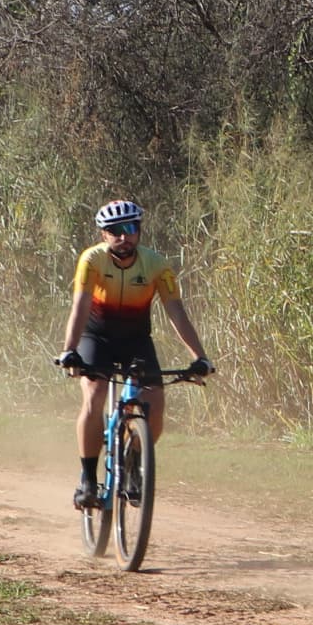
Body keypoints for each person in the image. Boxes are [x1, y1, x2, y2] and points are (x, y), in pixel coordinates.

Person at [55, 200, 212, 507]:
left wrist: (200, 357)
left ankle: (134, 463)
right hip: (95, 337)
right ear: (103, 235)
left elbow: (176, 312)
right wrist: (70, 351)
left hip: (136, 340)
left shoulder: (156, 265)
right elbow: (81, 305)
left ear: (139, 231)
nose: (123, 237)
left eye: (130, 229)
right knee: (95, 394)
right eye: (115, 231)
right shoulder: (92, 260)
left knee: (154, 401)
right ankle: (88, 477)